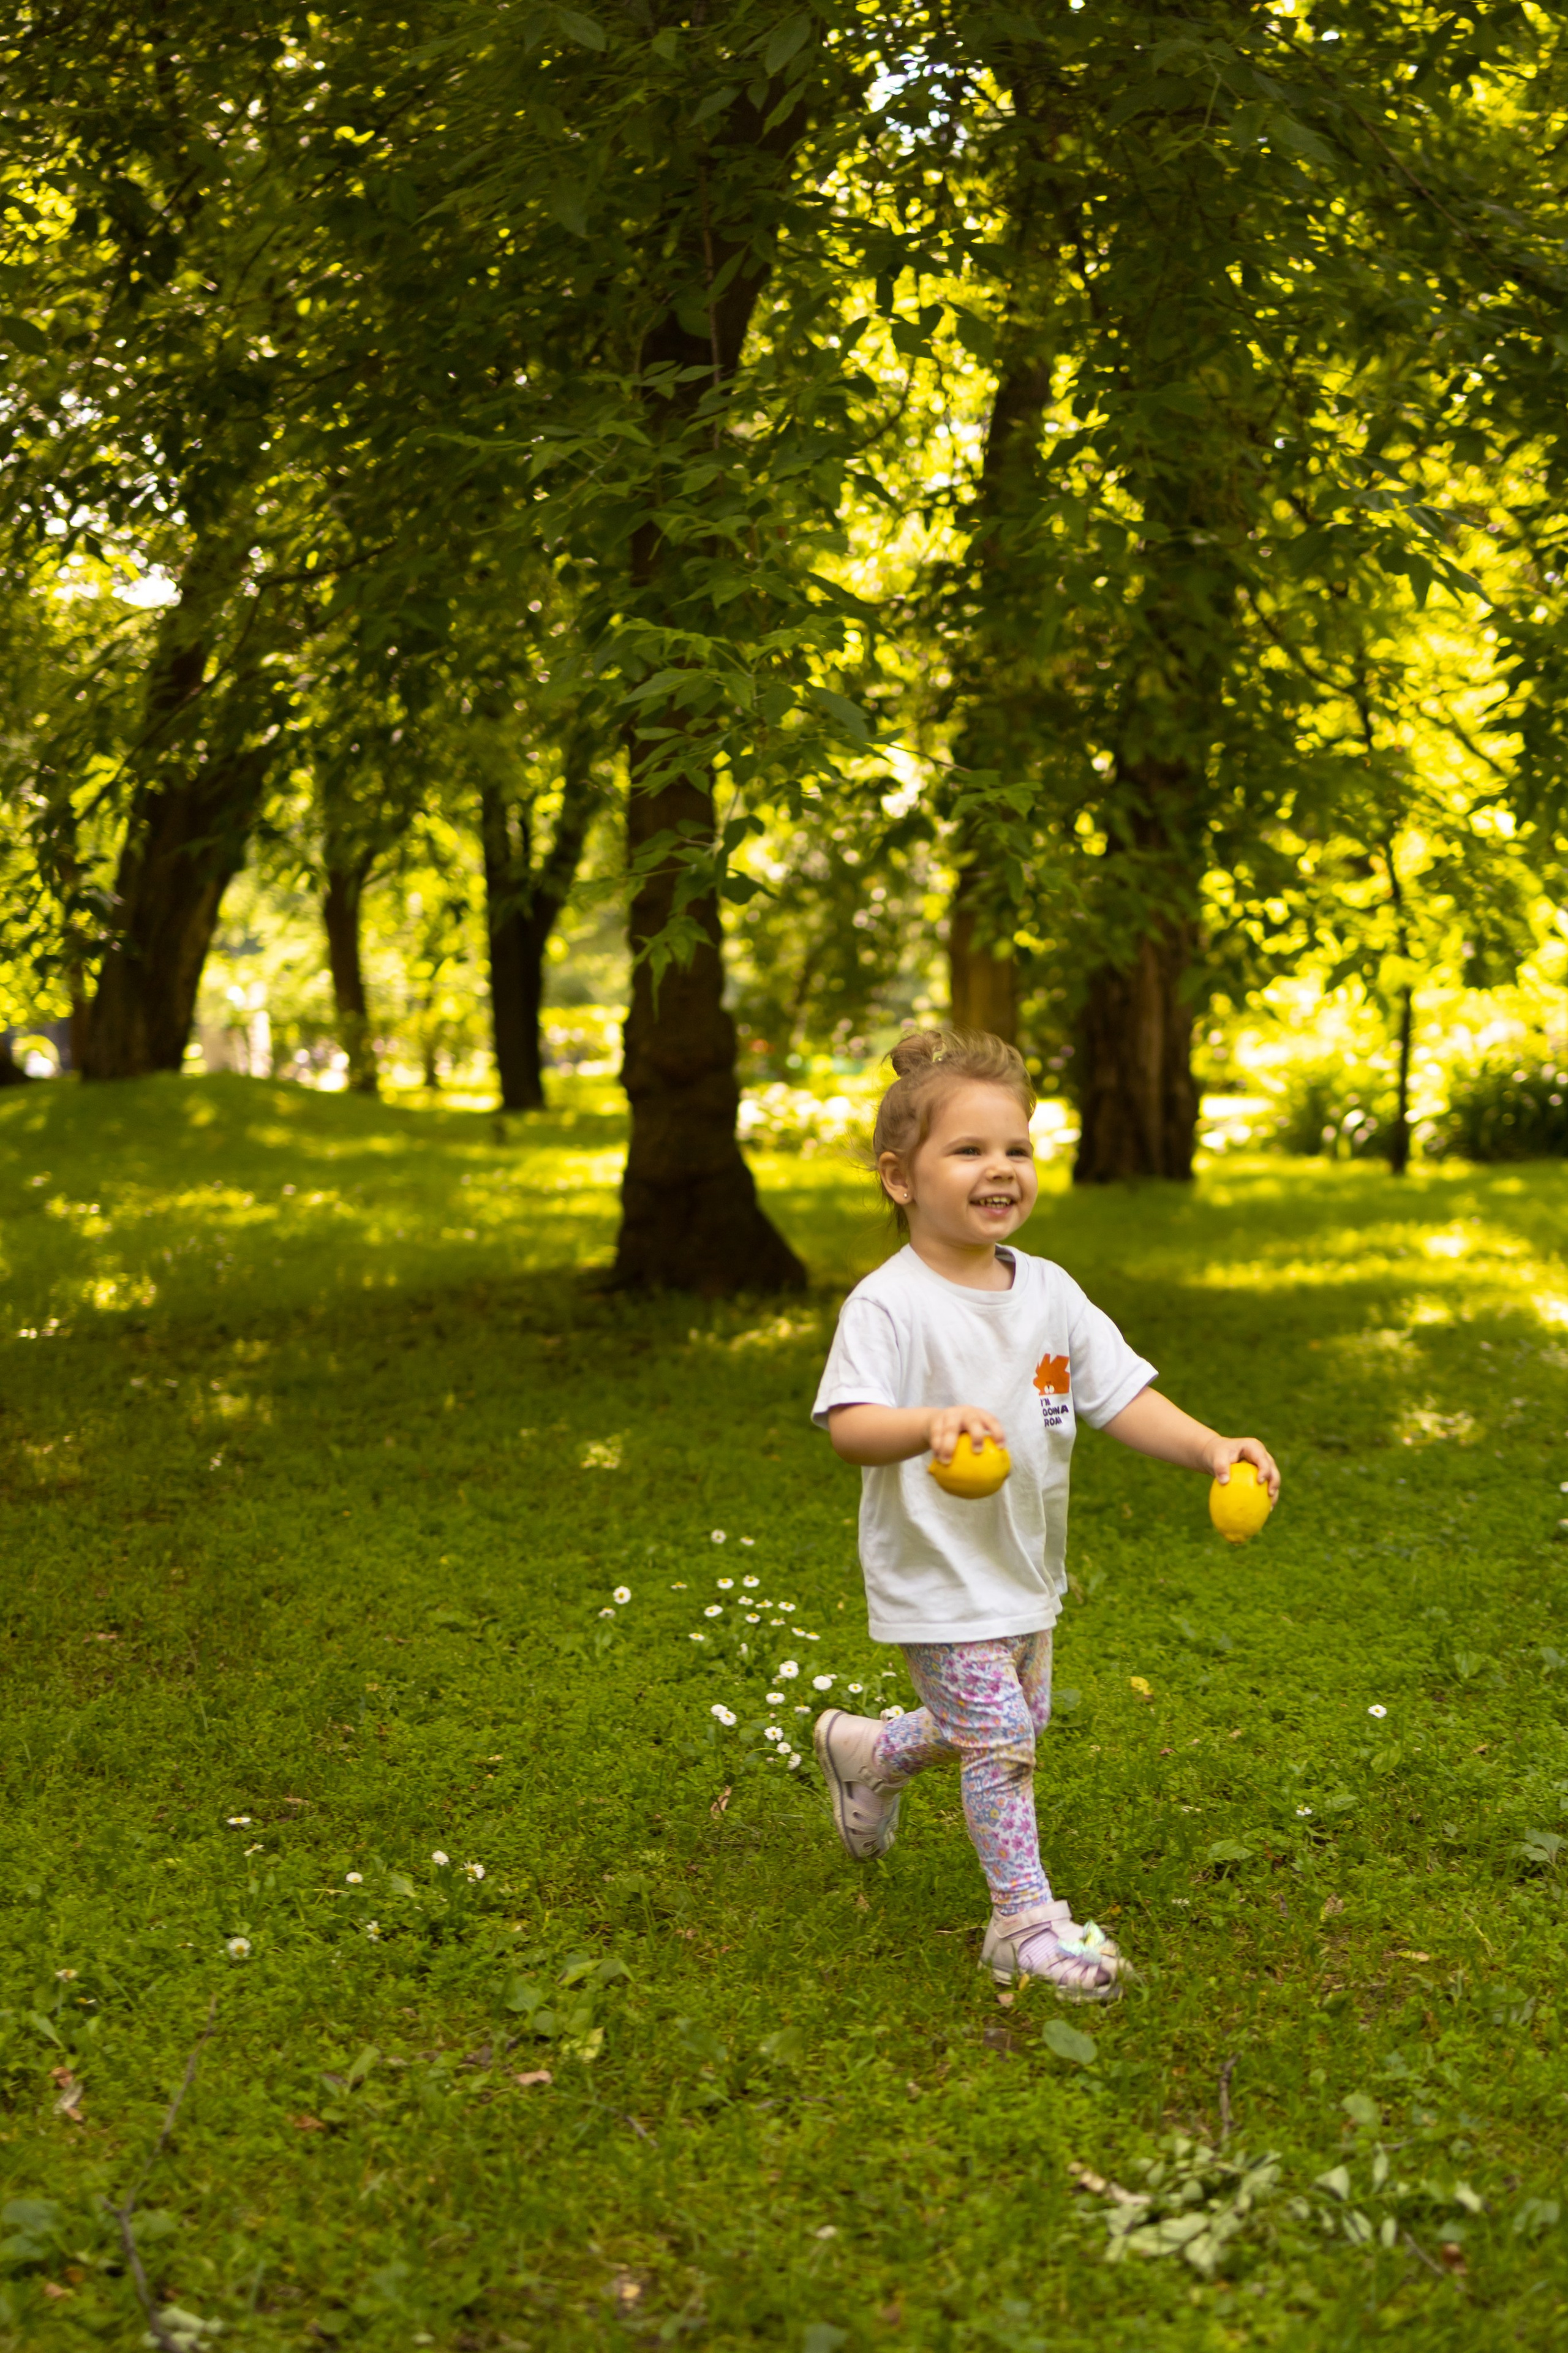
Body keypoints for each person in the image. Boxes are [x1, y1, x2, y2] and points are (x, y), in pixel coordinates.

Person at [810, 1028, 1279, 2000]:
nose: (1000, 1169)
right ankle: (1022, 1924)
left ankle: (866, 1750)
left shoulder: (1050, 1292)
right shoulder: (889, 1305)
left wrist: (1209, 1446)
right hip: (937, 1571)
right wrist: (929, 1423)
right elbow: (851, 1426)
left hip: (1023, 1566)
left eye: (1016, 1148)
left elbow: (1118, 1396)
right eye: (969, 1150)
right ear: (900, 1178)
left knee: (1005, 1723)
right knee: (1001, 1742)